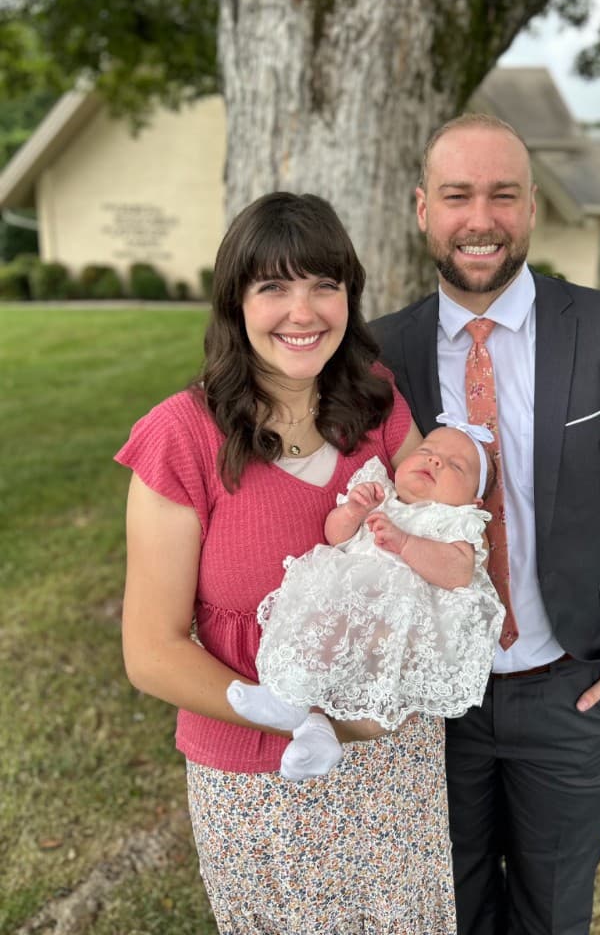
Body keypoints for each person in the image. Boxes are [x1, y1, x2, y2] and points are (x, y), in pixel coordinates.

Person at [371, 113, 600, 935]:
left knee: (552, 914)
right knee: (446, 907)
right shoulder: (379, 354)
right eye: (456, 195)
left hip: (567, 689)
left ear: (531, 209)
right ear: (421, 208)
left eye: (502, 195)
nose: (479, 218)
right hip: (429, 707)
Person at [115, 191, 457, 934]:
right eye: (273, 286)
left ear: (348, 296)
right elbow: (151, 652)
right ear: (235, 303)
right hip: (261, 773)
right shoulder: (182, 438)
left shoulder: (378, 408)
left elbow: (435, 548)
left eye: (323, 285)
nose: (303, 312)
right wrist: (299, 716)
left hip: (392, 754)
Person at [228, 416, 505, 780]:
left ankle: (300, 708)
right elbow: (336, 537)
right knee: (316, 634)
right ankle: (303, 717)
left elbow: (457, 572)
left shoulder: (455, 521)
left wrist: (405, 543)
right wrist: (352, 511)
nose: (435, 460)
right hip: (350, 607)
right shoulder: (380, 494)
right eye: (427, 451)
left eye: (455, 465)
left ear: (473, 499)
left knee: (346, 655)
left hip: (399, 624)